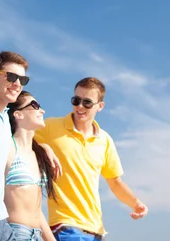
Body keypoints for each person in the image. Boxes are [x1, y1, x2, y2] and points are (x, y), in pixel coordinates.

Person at [34, 77, 148, 241]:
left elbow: (115, 183)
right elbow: (21, 138)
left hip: (96, 230)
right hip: (65, 226)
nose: (80, 106)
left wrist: (135, 202)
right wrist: (44, 147)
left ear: (100, 106)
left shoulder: (105, 140)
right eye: (76, 100)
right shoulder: (51, 127)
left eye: (87, 102)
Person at [0, 51, 60, 241]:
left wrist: (42, 147)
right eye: (11, 77)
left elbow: (18, 142)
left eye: (22, 79)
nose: (17, 83)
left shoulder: (3, 120)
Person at [5, 92, 56, 241]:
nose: (42, 110)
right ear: (18, 114)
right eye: (35, 105)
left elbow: (36, 210)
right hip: (14, 233)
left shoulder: (38, 155)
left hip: (37, 235)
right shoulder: (7, 147)